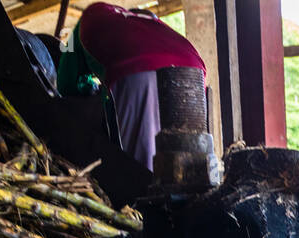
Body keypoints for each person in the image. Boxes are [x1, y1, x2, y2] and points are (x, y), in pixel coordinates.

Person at [56, 3, 205, 170]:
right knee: (191, 165)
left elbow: (65, 84)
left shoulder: (87, 20)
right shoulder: (148, 24)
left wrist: (92, 88)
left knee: (143, 169)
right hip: (193, 69)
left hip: (138, 71)